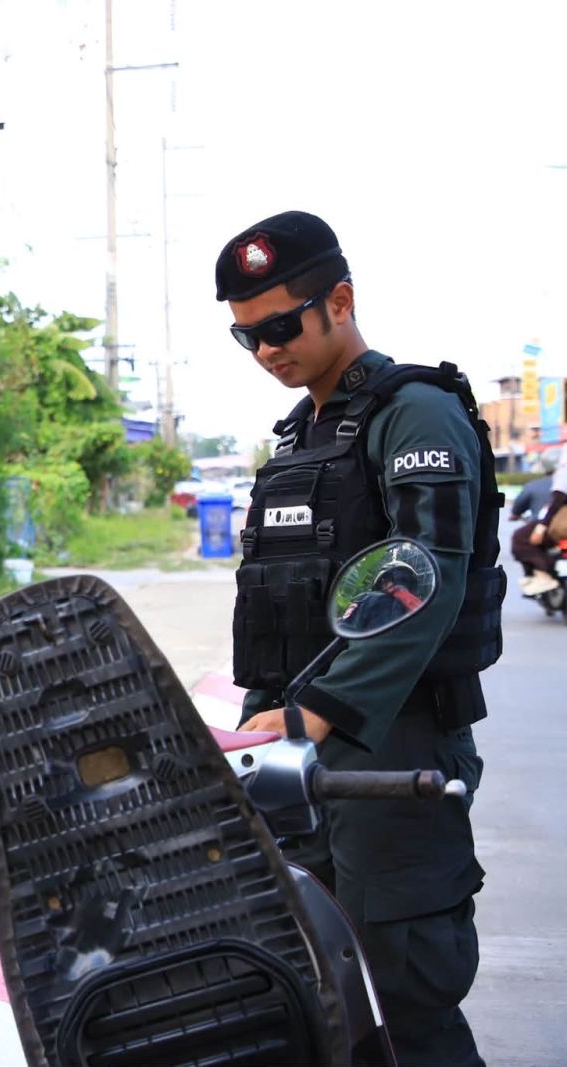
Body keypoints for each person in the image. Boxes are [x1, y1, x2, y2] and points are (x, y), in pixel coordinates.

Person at [219, 211, 504, 1067]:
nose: (266, 349)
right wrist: (264, 725)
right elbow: (284, 609)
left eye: (280, 326)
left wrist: (317, 714)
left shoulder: (416, 415)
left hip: (392, 753)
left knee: (406, 1011)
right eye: (246, 336)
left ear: (339, 301)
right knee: (311, 1009)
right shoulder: (298, 439)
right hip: (297, 759)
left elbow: (424, 578)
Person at [513, 464, 567, 595]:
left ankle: (542, 575)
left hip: (557, 527)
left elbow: (559, 498)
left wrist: (542, 526)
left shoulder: (534, 485)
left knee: (520, 538)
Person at [339, 560, 422, 634]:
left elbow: (344, 628)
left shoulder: (367, 598)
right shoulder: (420, 608)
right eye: (400, 579)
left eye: (403, 579)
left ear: (382, 581)